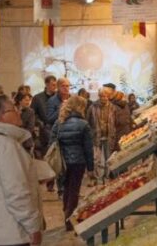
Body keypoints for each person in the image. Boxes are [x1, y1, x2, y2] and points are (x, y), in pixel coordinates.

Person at [0, 95, 43, 245]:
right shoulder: (5, 145)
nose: (18, 112)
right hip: (11, 232)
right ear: (0, 116)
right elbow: (17, 192)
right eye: (13, 109)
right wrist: (33, 226)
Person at [50, 95, 94, 231]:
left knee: (66, 189)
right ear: (80, 107)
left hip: (62, 162)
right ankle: (69, 219)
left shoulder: (59, 122)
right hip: (78, 162)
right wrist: (90, 167)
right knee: (74, 190)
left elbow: (51, 143)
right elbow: (88, 148)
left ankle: (67, 216)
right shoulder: (83, 124)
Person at [46, 78, 70, 195]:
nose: (66, 88)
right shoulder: (52, 101)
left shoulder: (72, 99)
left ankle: (70, 188)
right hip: (59, 137)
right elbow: (49, 118)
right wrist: (61, 109)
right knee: (61, 165)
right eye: (64, 86)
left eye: (68, 86)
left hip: (71, 135)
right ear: (58, 87)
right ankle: (61, 189)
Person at [87, 88, 116, 180]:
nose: (105, 98)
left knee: (109, 157)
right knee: (97, 159)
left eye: (107, 96)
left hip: (109, 135)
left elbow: (115, 121)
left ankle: (107, 176)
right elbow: (87, 121)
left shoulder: (112, 107)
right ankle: (98, 177)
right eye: (103, 96)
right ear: (99, 96)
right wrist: (91, 132)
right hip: (96, 136)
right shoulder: (92, 107)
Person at [31, 75, 57, 157]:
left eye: (55, 85)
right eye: (53, 85)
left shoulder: (58, 98)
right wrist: (40, 122)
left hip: (57, 128)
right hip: (44, 130)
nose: (55, 87)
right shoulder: (38, 98)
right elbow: (33, 113)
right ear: (46, 84)